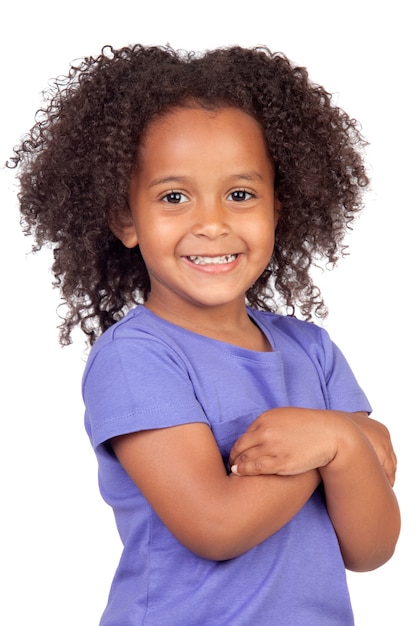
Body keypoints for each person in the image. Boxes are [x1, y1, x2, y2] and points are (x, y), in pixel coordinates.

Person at [8, 44, 400, 625]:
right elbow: (215, 527)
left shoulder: (312, 351)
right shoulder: (136, 359)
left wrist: (332, 440)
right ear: (125, 220)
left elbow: (369, 549)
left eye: (240, 195)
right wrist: (339, 446)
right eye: (173, 197)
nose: (212, 223)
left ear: (277, 210)